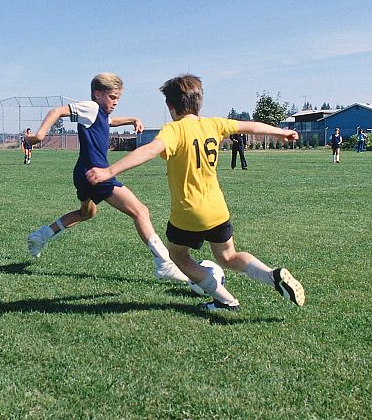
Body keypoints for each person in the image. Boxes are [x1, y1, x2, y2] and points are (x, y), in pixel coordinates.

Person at [86, 74, 305, 311]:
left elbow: (149, 151)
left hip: (188, 213)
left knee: (178, 256)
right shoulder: (214, 124)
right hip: (217, 209)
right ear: (199, 102)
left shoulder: (174, 130)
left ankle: (226, 300)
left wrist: (110, 170)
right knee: (228, 256)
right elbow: (250, 125)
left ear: (170, 106)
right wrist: (281, 132)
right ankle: (271, 275)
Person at [25, 73, 187, 284]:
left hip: (83, 173)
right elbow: (57, 110)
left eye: (118, 99)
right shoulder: (90, 107)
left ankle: (42, 235)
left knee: (87, 212)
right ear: (98, 94)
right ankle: (164, 264)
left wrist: (132, 119)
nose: (115, 103)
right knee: (140, 211)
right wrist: (40, 135)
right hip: (96, 173)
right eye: (112, 98)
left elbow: (109, 122)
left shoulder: (98, 113)